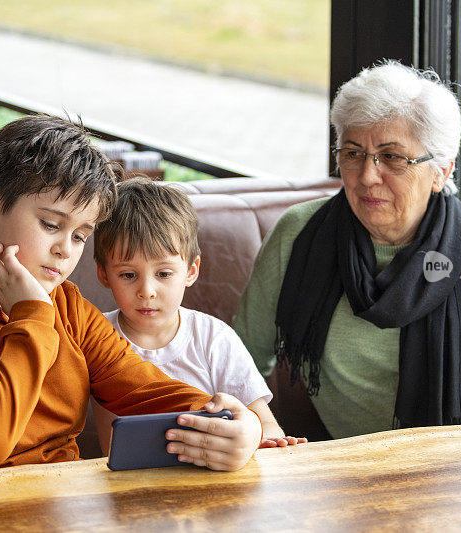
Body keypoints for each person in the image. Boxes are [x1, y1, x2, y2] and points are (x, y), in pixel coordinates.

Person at [0, 115, 262, 478]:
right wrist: (31, 314)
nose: (65, 250)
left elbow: (146, 389)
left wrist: (234, 423)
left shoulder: (67, 304)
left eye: (79, 235)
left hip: (59, 506)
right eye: (50, 225)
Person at [233, 61, 461, 438]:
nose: (367, 176)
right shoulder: (301, 235)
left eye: (392, 157)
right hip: (349, 477)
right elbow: (235, 364)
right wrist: (260, 430)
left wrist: (429, 468)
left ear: (441, 172)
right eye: (353, 153)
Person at [92, 177, 306, 452]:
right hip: (126, 483)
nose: (147, 291)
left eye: (164, 274)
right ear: (103, 274)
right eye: (128, 275)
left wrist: (269, 441)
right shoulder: (95, 336)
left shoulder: (214, 339)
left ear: (191, 271)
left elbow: (265, 424)